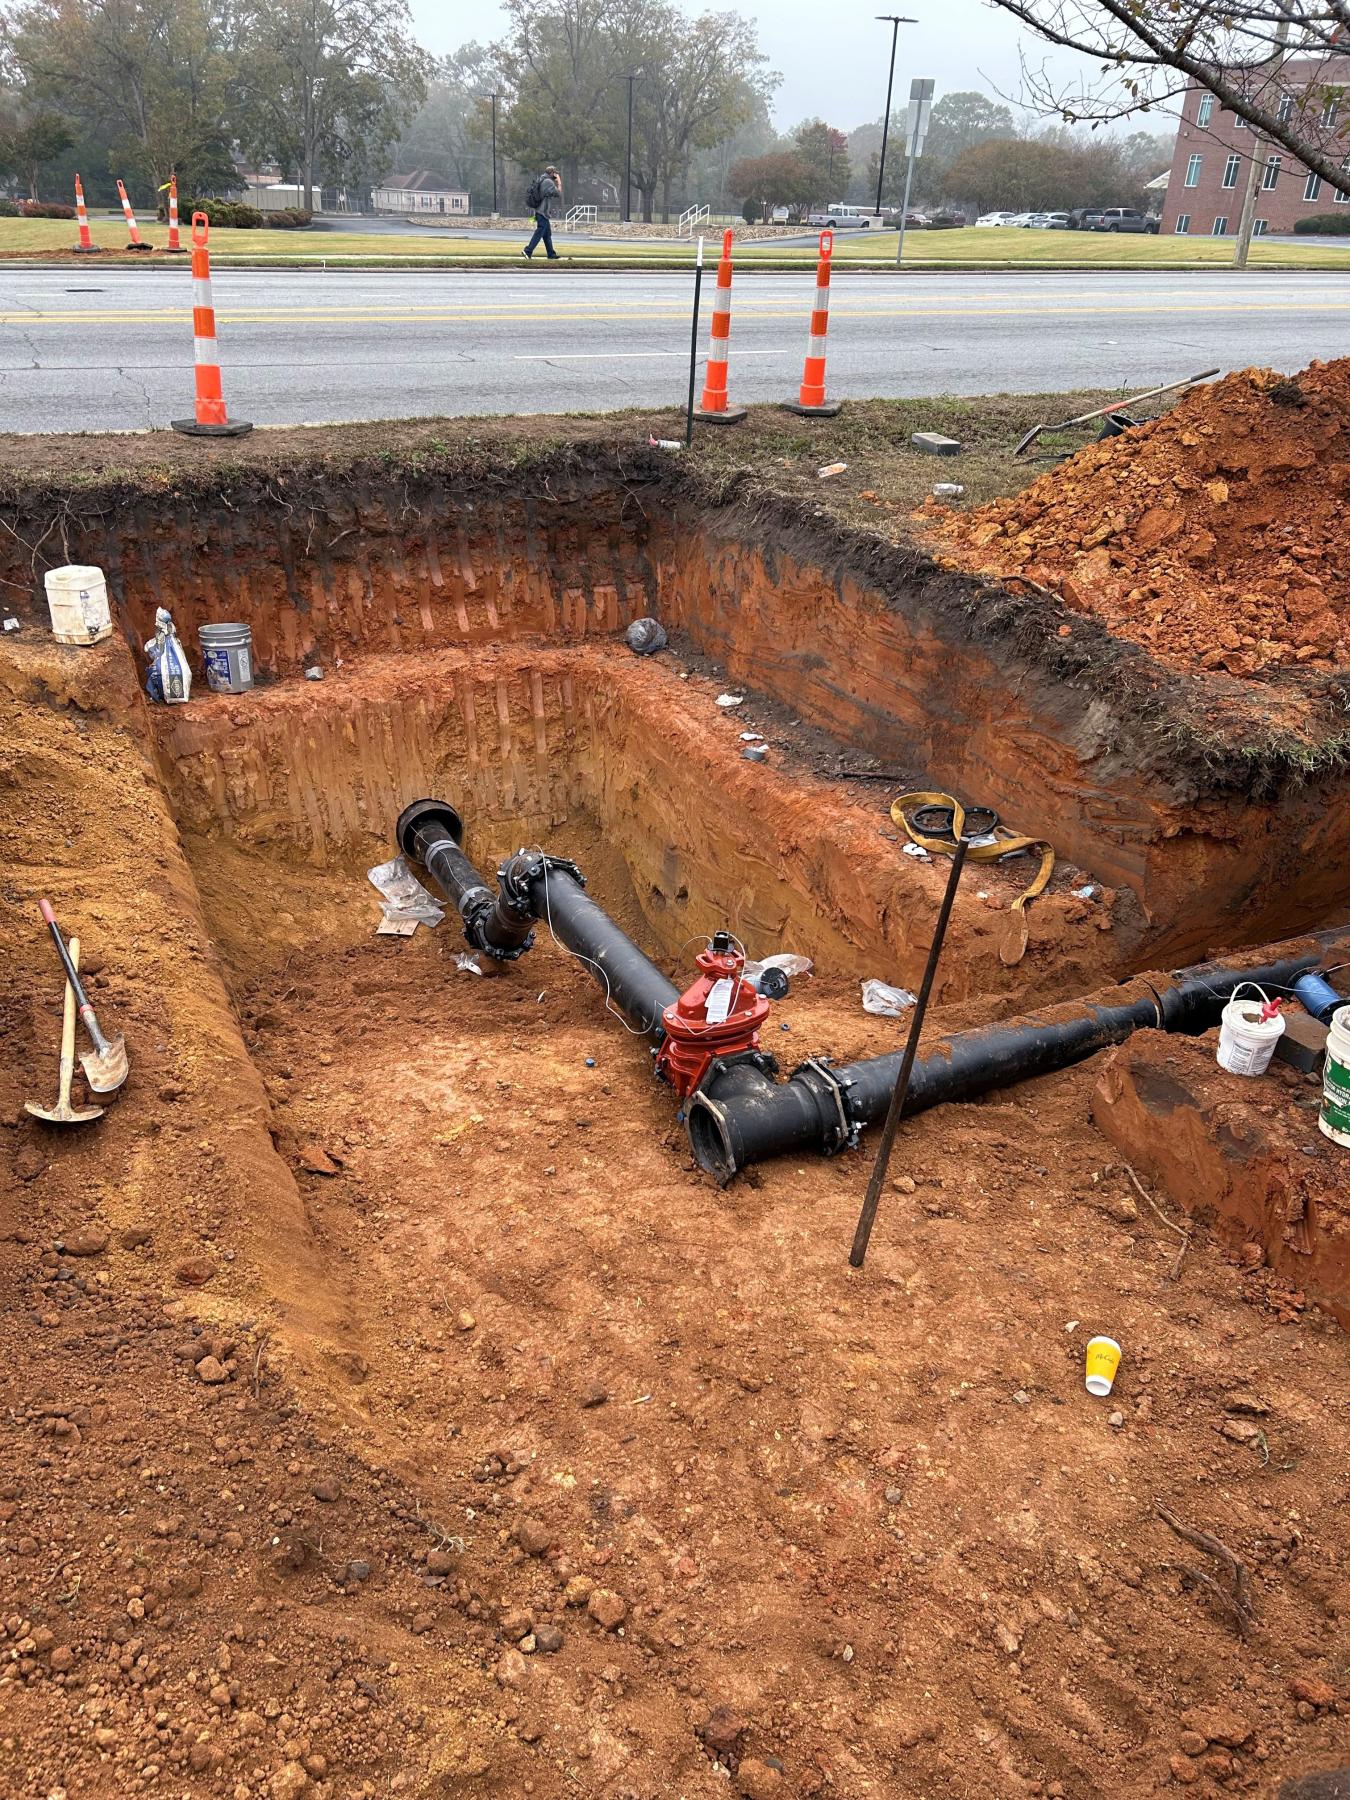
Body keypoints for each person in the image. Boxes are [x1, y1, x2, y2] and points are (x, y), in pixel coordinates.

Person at [524, 166, 562, 260]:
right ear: (552, 173)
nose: (556, 175)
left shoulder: (541, 179)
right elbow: (558, 193)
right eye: (555, 173)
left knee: (547, 234)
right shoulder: (548, 182)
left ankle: (551, 254)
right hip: (542, 212)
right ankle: (528, 251)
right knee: (540, 232)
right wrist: (559, 182)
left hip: (540, 211)